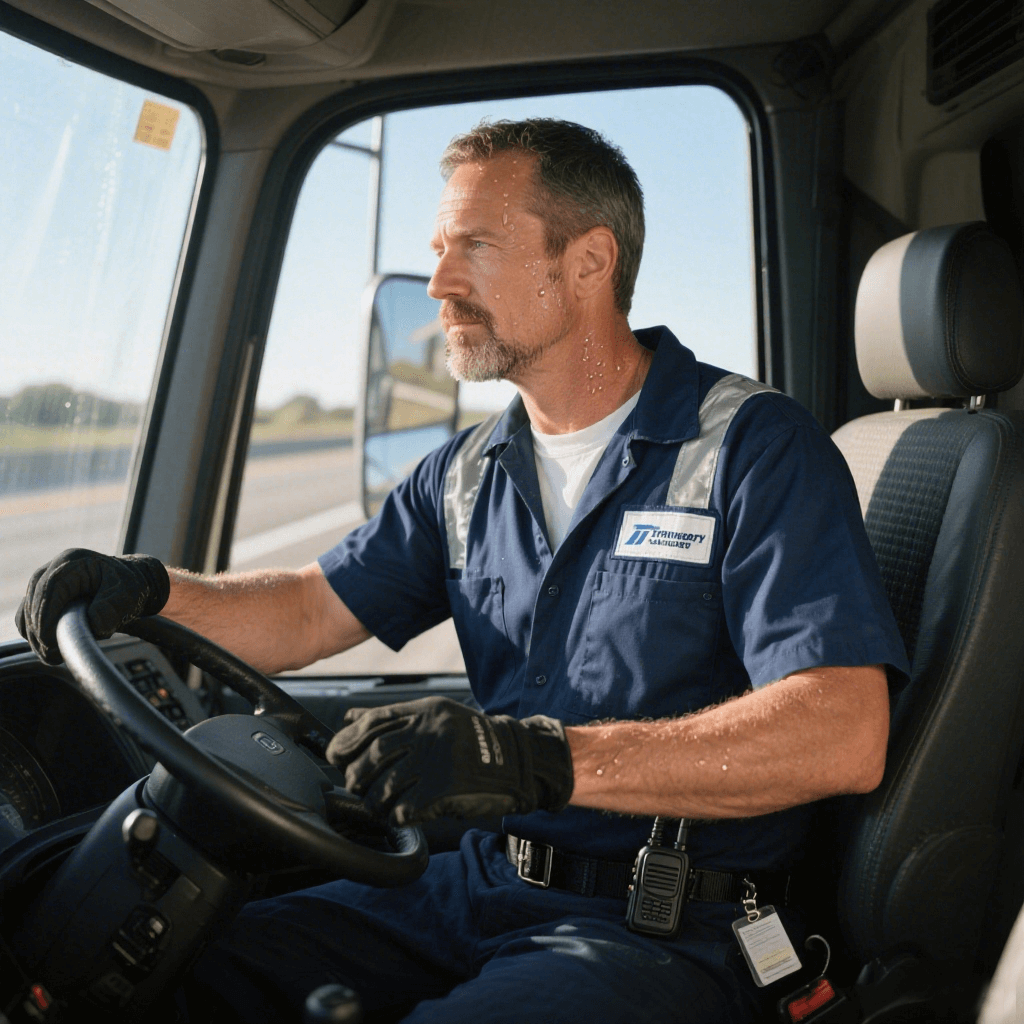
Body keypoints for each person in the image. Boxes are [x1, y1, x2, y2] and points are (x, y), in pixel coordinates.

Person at [18, 118, 908, 1024]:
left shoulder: (754, 448)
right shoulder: (464, 473)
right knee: (172, 974)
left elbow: (841, 731)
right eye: (439, 250)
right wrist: (147, 593)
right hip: (478, 886)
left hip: (671, 927)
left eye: (475, 245)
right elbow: (308, 609)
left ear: (589, 262)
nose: (440, 283)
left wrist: (532, 759)